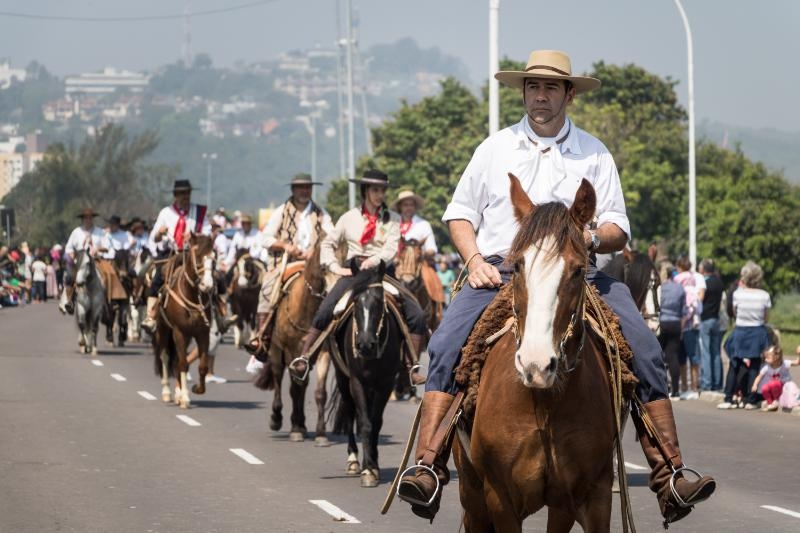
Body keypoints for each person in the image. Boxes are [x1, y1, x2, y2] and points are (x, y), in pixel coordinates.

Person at [396, 50, 714, 525]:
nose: (539, 97)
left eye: (549, 88)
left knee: (645, 348)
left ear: (568, 94)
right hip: (505, 270)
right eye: (532, 88)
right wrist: (475, 260)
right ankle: (429, 464)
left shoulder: (595, 152)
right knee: (443, 346)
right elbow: (460, 215)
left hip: (577, 271)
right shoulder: (494, 149)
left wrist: (587, 237)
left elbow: (617, 228)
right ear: (523, 92)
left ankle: (668, 470)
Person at [287, 169, 428, 383]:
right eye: (375, 190)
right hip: (354, 273)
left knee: (416, 312)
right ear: (365, 191)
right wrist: (334, 266)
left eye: (382, 190)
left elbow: (391, 249)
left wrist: (376, 260)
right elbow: (327, 242)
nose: (379, 194)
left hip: (382, 274)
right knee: (327, 308)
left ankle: (412, 366)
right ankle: (305, 357)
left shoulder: (393, 219)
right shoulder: (348, 217)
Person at [246, 173, 333, 356]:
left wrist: (316, 249)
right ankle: (262, 338)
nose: (304, 191)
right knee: (267, 289)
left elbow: (332, 236)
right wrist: (287, 246)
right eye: (300, 187)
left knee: (335, 290)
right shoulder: (281, 211)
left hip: (315, 266)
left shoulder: (320, 212)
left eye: (307, 187)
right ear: (293, 190)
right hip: (286, 264)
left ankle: (337, 337)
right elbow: (265, 238)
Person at [140, 179, 236, 334]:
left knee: (216, 277)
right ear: (175, 195)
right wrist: (160, 232)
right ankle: (151, 315)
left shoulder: (199, 212)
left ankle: (222, 315)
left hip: (194, 254)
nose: (186, 196)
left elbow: (206, 233)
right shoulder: (166, 213)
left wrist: (194, 237)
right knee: (158, 278)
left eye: (188, 193)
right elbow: (154, 238)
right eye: (182, 193)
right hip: (173, 252)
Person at [718, 261, 772, 410]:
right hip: (757, 331)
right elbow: (766, 318)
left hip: (741, 331)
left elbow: (735, 313)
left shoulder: (737, 294)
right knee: (755, 363)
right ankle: (750, 399)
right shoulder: (764, 295)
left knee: (734, 363)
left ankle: (728, 397)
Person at [59, 208, 108, 314]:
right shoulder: (76, 232)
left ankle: (109, 302)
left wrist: (98, 249)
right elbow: (69, 248)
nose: (88, 220)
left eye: (90, 218)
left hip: (97, 260)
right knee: (70, 276)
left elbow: (107, 247)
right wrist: (72, 255)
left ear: (92, 219)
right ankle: (69, 301)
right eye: (85, 218)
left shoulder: (100, 232)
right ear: (82, 219)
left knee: (110, 274)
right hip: (80, 261)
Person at [657, 262, 687, 400]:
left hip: (661, 322)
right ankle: (675, 390)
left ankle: (662, 387)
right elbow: (683, 310)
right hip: (675, 323)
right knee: (673, 356)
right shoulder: (680, 288)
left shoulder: (660, 288)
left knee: (658, 355)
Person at [674, 256, 701, 399]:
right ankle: (694, 386)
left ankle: (685, 385)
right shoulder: (693, 281)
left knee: (682, 358)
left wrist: (682, 320)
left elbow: (685, 307)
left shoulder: (678, 282)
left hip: (682, 325)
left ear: (679, 266)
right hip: (692, 326)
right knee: (693, 357)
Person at [698, 258, 724, 392]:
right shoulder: (719, 282)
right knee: (716, 352)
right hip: (716, 319)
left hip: (705, 319)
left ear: (703, 269)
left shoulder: (704, 283)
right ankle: (718, 383)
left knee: (706, 352)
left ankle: (707, 383)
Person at [751, 344, 800, 411]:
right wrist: (755, 385)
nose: (765, 359)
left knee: (774, 383)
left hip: (784, 386)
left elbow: (797, 363)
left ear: (776, 358)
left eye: (768, 358)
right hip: (774, 387)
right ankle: (770, 403)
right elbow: (759, 376)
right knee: (765, 388)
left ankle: (776, 400)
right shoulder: (766, 367)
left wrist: (799, 354)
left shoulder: (784, 363)